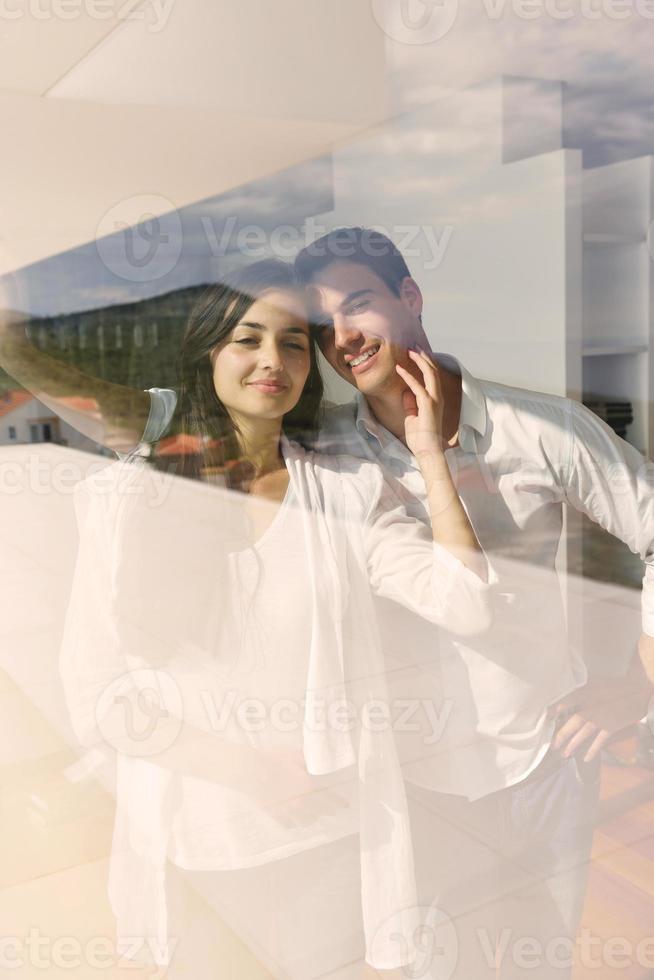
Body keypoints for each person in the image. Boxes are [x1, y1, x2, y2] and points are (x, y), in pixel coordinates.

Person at [58, 259, 492, 979]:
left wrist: (429, 463)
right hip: (202, 849)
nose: (272, 360)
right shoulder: (120, 502)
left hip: (331, 843)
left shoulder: (346, 493)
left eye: (293, 343)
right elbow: (95, 694)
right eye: (247, 339)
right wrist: (248, 771)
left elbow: (467, 602)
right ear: (207, 355)